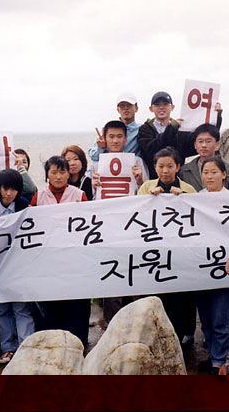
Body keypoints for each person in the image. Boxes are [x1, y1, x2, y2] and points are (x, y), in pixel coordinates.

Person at [89, 120, 147, 325]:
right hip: (108, 229)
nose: (115, 140)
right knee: (111, 277)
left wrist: (140, 180)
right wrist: (93, 185)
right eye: (111, 136)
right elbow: (91, 201)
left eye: (119, 136)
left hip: (132, 227)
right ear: (105, 139)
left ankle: (134, 325)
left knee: (132, 275)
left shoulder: (137, 162)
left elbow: (146, 194)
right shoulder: (97, 164)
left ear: (126, 138)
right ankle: (111, 328)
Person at [30, 156, 91, 347]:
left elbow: (90, 225)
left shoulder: (79, 195)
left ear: (68, 174)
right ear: (47, 174)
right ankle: (54, 346)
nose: (58, 176)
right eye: (54, 172)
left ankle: (77, 345)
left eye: (62, 171)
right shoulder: (39, 197)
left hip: (74, 260)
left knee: (75, 304)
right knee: (51, 304)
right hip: (48, 261)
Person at [138, 147, 196, 343]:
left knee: (182, 294)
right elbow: (137, 214)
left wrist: (182, 199)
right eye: (161, 166)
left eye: (170, 166)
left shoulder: (188, 189)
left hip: (180, 251)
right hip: (155, 250)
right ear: (154, 167)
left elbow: (195, 217)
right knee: (156, 294)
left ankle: (183, 334)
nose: (165, 171)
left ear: (178, 167)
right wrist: (149, 199)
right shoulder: (146, 188)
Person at [0, 169, 35, 364]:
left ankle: (26, 347)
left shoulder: (24, 205)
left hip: (20, 267)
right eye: (5, 188)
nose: (9, 193)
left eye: (13, 189)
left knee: (23, 308)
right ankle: (8, 348)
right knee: (2, 310)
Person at [194, 156, 229, 375]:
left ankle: (220, 360)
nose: (209, 176)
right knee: (206, 319)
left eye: (214, 172)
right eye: (205, 172)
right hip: (202, 266)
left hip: (224, 267)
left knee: (221, 317)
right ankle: (212, 355)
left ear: (224, 174)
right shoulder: (196, 199)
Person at [138, 91, 197, 180]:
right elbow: (150, 150)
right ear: (151, 108)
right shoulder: (145, 129)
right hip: (153, 181)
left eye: (165, 104)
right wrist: (172, 128)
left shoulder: (181, 129)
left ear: (172, 107)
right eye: (157, 105)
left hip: (178, 181)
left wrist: (216, 118)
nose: (161, 107)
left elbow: (196, 145)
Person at [179, 123, 229, 191]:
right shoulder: (184, 171)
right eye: (200, 141)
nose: (204, 145)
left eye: (208, 141)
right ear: (195, 145)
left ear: (217, 145)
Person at [88, 92, 143, 162]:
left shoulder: (142, 130)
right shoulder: (107, 130)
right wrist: (101, 148)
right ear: (118, 110)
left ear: (136, 108)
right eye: (122, 106)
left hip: (131, 167)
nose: (126, 108)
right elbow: (94, 157)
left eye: (129, 105)